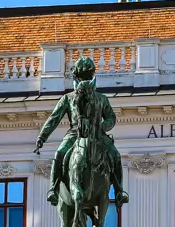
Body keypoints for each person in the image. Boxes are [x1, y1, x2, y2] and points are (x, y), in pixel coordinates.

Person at [34, 57, 129, 207]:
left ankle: (119, 191)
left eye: (87, 76)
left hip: (97, 134)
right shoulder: (68, 98)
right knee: (59, 153)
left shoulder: (101, 99)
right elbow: (54, 118)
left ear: (92, 77)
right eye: (82, 76)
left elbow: (111, 117)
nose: (85, 79)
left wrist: (103, 126)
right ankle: (53, 189)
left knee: (115, 155)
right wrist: (42, 136)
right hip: (75, 134)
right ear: (77, 78)